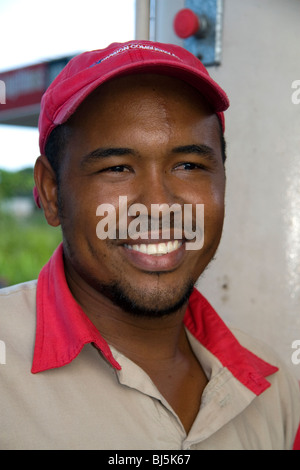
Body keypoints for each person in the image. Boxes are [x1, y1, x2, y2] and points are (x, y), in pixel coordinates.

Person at [0, 40, 299, 450]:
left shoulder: (274, 386)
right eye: (117, 168)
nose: (158, 206)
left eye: (189, 166)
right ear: (51, 192)